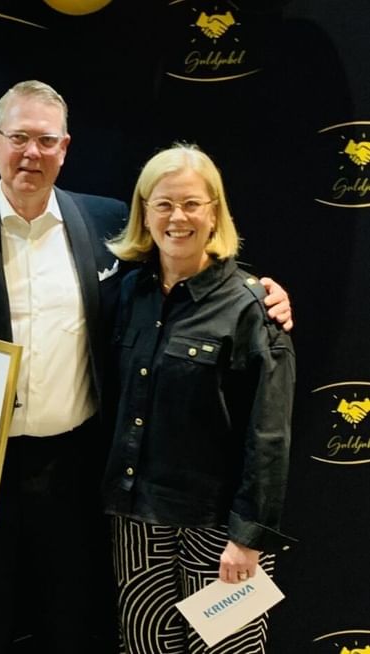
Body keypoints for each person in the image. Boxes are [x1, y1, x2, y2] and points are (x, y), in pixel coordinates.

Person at [0, 81, 292, 653]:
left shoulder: (104, 224)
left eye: (46, 140)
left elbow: (187, 268)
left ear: (65, 148)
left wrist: (260, 292)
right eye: (18, 138)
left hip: (79, 470)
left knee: (76, 623)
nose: (31, 153)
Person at [103, 143, 295, 653]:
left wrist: (248, 537)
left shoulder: (252, 307)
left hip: (219, 531)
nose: (177, 217)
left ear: (215, 212)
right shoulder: (129, 294)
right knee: (144, 645)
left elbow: (269, 436)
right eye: (163, 204)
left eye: (191, 203)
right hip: (138, 520)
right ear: (145, 213)